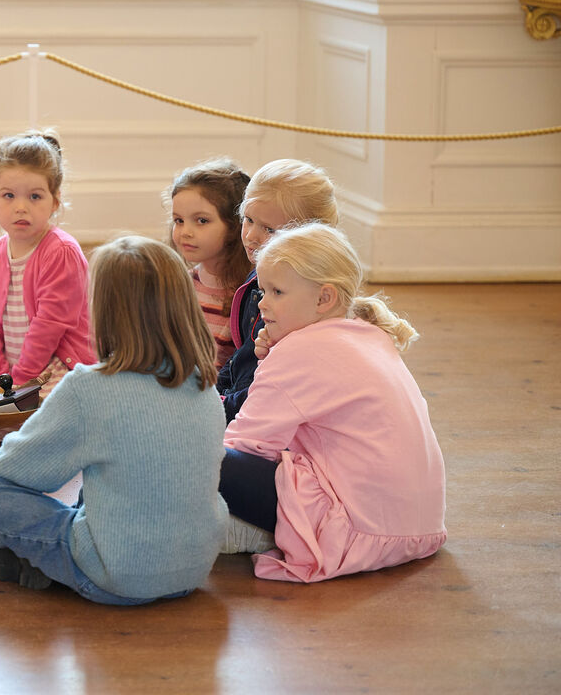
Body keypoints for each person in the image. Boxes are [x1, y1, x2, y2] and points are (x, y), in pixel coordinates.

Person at [0, 236, 228, 605]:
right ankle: (44, 563)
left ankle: (42, 562)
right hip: (193, 569)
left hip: (116, 577)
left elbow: (13, 472)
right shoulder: (203, 384)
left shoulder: (89, 388)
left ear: (101, 311)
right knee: (105, 476)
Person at [220, 223, 447, 582]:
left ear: (323, 299)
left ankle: (255, 534)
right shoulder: (369, 335)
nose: (262, 303)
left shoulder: (300, 351)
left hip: (354, 530)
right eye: (263, 291)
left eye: (277, 291)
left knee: (202, 456)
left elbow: (244, 445)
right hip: (419, 528)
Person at [0, 129, 96, 399]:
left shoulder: (62, 252)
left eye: (35, 196)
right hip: (9, 372)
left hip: (56, 366)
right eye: (8, 195)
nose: (21, 207)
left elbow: (48, 327)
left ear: (54, 202)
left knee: (39, 417)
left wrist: (19, 385)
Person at [216, 159, 337, 423]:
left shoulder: (298, 302)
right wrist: (213, 391)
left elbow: (264, 388)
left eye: (269, 229)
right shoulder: (263, 275)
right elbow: (243, 358)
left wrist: (213, 407)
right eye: (248, 220)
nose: (250, 236)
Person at [167, 157, 252, 371]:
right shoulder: (180, 284)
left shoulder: (249, 294)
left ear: (234, 226)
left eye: (201, 221)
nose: (185, 232)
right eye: (179, 220)